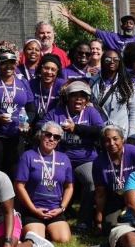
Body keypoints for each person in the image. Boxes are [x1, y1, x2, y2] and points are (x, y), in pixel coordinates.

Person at [42, 80, 105, 223]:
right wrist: (54, 129)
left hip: (86, 159)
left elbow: (100, 130)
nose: (78, 99)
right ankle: (57, 213)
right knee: (52, 178)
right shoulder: (57, 112)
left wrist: (76, 128)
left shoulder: (91, 112)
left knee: (91, 182)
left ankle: (83, 220)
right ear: (67, 98)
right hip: (62, 157)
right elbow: (42, 125)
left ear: (87, 100)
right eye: (74, 95)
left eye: (82, 96)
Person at [14, 122, 75, 246]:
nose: (52, 139)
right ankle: (38, 228)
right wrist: (33, 209)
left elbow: (69, 187)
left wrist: (62, 208)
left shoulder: (64, 158)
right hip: (33, 209)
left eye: (56, 137)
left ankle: (48, 229)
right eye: (48, 135)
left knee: (63, 239)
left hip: (55, 210)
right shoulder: (28, 156)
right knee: (37, 240)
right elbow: (19, 186)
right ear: (41, 135)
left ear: (58, 141)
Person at [0, 48, 33, 174]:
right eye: (4, 63)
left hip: (17, 136)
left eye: (12, 62)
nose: (8, 66)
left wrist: (27, 123)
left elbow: (31, 109)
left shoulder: (23, 83)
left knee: (15, 172)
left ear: (16, 64)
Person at [93, 126, 135, 232]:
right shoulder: (99, 162)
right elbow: (100, 193)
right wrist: (99, 217)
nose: (111, 143)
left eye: (115, 139)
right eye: (107, 140)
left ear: (123, 139)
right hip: (114, 197)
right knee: (109, 227)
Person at [90, 49, 135, 140]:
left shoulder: (127, 83)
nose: (112, 62)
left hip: (121, 136)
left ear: (120, 62)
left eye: (116, 59)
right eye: (108, 60)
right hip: (100, 134)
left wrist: (132, 136)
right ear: (102, 61)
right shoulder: (93, 81)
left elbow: (133, 111)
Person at [29, 54, 65, 123]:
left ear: (57, 71)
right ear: (41, 68)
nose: (49, 72)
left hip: (53, 123)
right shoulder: (31, 84)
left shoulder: (62, 85)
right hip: (33, 121)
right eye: (46, 68)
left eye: (53, 69)